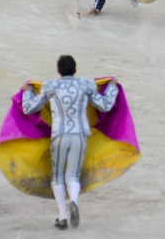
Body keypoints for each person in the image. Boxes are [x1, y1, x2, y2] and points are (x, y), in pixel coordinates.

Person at [21, 55, 119, 229]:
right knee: (72, 175)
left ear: (58, 71)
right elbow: (105, 106)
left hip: (59, 135)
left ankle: (62, 217)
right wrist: (112, 87)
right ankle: (73, 200)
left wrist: (27, 91)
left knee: (57, 175)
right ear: (75, 70)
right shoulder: (85, 85)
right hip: (80, 135)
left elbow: (29, 108)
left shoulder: (51, 86)